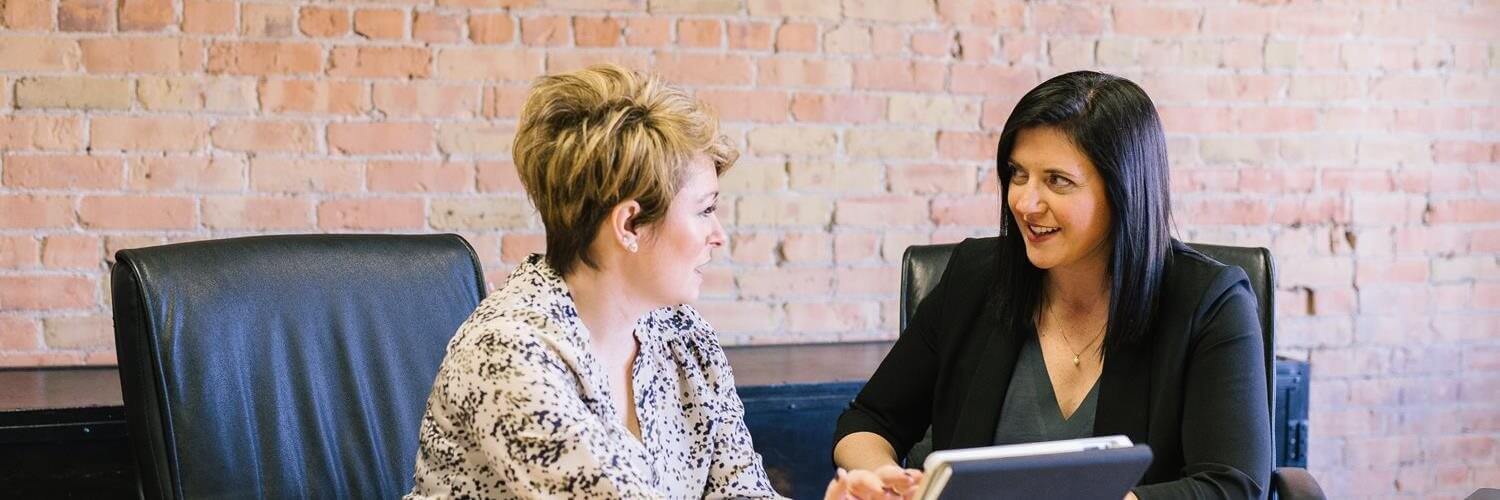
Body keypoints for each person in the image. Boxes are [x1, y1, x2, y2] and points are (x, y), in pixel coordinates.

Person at [827, 71, 1272, 499]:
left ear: (1123, 190)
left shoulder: (1209, 301)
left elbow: (1231, 485)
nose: (1025, 202)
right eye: (1018, 174)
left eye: (1057, 181)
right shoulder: (975, 277)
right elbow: (869, 420)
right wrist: (883, 479)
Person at [406, 64, 783, 499]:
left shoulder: (685, 336)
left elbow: (743, 489)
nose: (718, 235)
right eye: (705, 210)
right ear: (629, 225)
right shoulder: (508, 352)